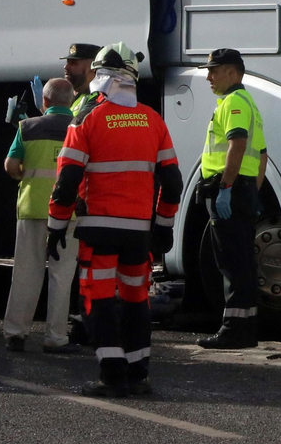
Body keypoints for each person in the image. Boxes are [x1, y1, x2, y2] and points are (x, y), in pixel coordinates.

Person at [47, 45, 181, 397]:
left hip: (99, 230)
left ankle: (112, 375)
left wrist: (56, 225)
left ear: (100, 76)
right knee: (137, 298)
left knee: (97, 298)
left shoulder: (87, 118)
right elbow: (172, 182)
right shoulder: (153, 120)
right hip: (138, 232)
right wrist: (164, 225)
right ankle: (138, 374)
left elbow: (66, 182)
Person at [197, 48, 268, 350]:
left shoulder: (234, 103)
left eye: (214, 70)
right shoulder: (247, 101)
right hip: (243, 188)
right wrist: (252, 190)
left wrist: (226, 188)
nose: (209, 77)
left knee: (231, 263)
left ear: (232, 72)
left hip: (228, 188)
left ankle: (233, 331)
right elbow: (262, 155)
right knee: (242, 263)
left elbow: (237, 144)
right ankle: (245, 328)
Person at [1, 77, 79, 352]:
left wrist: (25, 175)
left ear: (43, 101)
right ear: (71, 101)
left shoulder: (27, 127)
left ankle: (15, 333)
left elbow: (11, 165)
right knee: (62, 275)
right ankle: (56, 337)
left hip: (32, 208)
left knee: (25, 273)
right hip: (68, 213)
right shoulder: (80, 128)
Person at [61, 43, 102, 119]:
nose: (66, 67)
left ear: (92, 68)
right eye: (67, 62)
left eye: (73, 63)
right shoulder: (77, 98)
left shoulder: (99, 100)